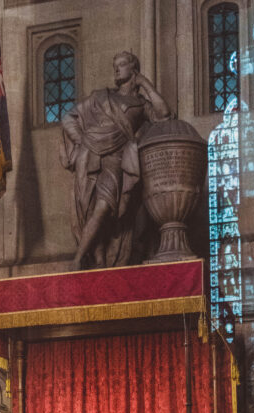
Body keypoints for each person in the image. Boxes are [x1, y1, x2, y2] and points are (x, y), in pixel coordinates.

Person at [61, 51, 171, 269]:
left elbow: (164, 113)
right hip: (88, 154)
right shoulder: (100, 96)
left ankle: (77, 260)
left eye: (121, 65)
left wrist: (145, 84)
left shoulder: (140, 105)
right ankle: (98, 261)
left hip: (115, 158)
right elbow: (68, 117)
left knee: (104, 207)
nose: (116, 69)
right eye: (115, 65)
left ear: (133, 69)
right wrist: (82, 139)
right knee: (88, 208)